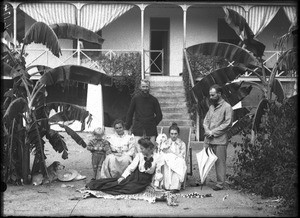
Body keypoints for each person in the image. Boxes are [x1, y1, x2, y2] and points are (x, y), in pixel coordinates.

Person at [85, 138, 163, 195]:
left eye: (142, 149)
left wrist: (155, 185)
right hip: (135, 176)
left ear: (148, 149)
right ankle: (94, 185)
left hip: (145, 180)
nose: (141, 150)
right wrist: (123, 177)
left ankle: (97, 186)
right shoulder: (139, 155)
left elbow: (157, 173)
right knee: (120, 184)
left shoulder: (157, 157)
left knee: (131, 189)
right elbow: (131, 167)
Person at [203, 84, 233, 191]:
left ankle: (220, 184)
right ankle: (202, 181)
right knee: (205, 160)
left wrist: (213, 132)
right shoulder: (211, 107)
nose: (210, 97)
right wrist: (207, 130)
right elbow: (206, 121)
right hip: (208, 139)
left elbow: (228, 123)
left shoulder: (227, 107)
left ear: (219, 94)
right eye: (210, 95)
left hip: (220, 140)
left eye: (213, 95)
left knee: (220, 163)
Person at [125, 79, 163, 156]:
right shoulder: (135, 99)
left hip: (150, 130)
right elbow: (130, 113)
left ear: (149, 87)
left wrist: (152, 123)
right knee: (139, 151)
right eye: (143, 86)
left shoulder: (154, 100)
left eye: (146, 87)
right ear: (140, 87)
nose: (145, 88)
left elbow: (159, 115)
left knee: (151, 151)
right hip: (138, 129)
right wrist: (127, 127)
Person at [159, 123, 187, 193]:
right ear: (169, 134)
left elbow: (182, 155)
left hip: (177, 160)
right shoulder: (165, 142)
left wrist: (172, 153)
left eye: (175, 134)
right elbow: (162, 153)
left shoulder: (182, 144)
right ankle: (166, 186)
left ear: (178, 134)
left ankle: (175, 187)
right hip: (168, 160)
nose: (173, 136)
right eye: (172, 134)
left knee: (180, 162)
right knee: (165, 161)